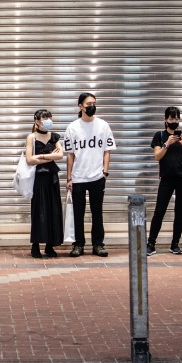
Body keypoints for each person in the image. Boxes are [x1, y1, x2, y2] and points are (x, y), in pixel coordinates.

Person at [64, 93, 116, 257]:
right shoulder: (72, 128)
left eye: (94, 103)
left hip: (97, 177)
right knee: (78, 214)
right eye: (88, 103)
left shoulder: (103, 125)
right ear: (80, 106)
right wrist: (69, 178)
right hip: (78, 177)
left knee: (97, 212)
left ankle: (98, 244)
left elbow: (107, 151)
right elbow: (70, 155)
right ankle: (78, 245)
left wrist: (105, 172)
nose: (92, 106)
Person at [147, 106, 182, 256]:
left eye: (176, 118)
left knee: (180, 211)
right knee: (159, 210)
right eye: (171, 118)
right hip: (167, 178)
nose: (174, 121)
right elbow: (157, 157)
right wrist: (167, 143)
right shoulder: (159, 136)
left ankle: (175, 244)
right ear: (165, 120)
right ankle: (151, 243)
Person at [25, 109, 64, 258]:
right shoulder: (31, 137)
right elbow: (29, 159)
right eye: (44, 118)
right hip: (38, 179)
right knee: (39, 211)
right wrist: (49, 156)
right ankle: (35, 245)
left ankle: (50, 245)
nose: (47, 120)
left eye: (49, 117)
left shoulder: (54, 136)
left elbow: (60, 155)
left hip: (52, 178)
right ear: (36, 121)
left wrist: (40, 157)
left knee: (53, 210)